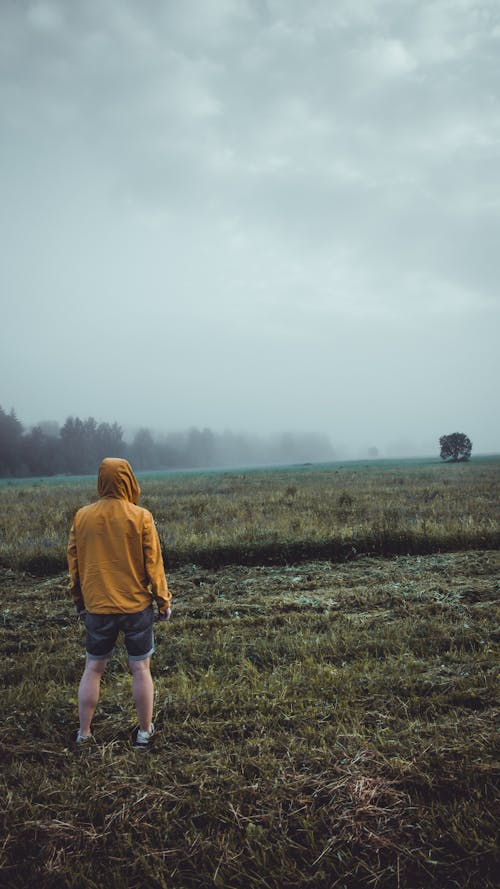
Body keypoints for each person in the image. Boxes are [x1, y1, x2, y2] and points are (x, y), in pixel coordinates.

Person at [67, 457, 171, 749]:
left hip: (97, 608)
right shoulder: (141, 516)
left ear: (101, 481)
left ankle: (84, 734)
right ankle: (144, 732)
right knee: (140, 669)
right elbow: (154, 564)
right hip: (136, 607)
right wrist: (163, 601)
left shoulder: (82, 516)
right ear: (128, 480)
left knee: (93, 669)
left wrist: (78, 599)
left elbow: (74, 563)